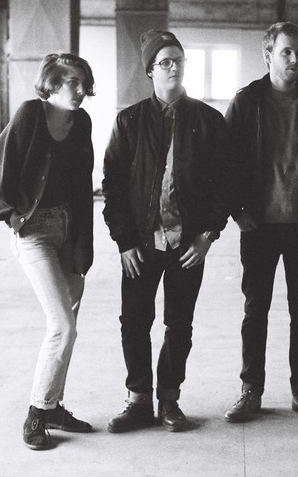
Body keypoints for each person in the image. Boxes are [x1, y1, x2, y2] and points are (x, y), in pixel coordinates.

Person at [103, 30, 231, 433]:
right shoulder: (129, 121)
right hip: (141, 244)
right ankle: (138, 400)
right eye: (165, 62)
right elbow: (113, 186)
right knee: (134, 322)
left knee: (179, 325)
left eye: (179, 60)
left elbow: (224, 185)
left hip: (186, 244)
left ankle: (170, 399)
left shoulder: (208, 121)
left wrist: (208, 235)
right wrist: (124, 241)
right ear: (150, 71)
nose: (174, 67)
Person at [224, 22, 298, 423]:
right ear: (268, 55)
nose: (295, 59)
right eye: (287, 52)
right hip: (259, 224)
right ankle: (251, 390)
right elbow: (224, 161)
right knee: (255, 310)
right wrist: (236, 210)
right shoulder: (246, 101)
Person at [0, 53, 96, 450]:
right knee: (62, 325)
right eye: (72, 82)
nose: (80, 90)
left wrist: (83, 242)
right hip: (33, 231)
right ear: (51, 83)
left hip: (67, 229)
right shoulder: (30, 114)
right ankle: (36, 413)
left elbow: (83, 185)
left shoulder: (82, 122)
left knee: (69, 320)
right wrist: (9, 214)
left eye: (83, 82)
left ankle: (52, 406)